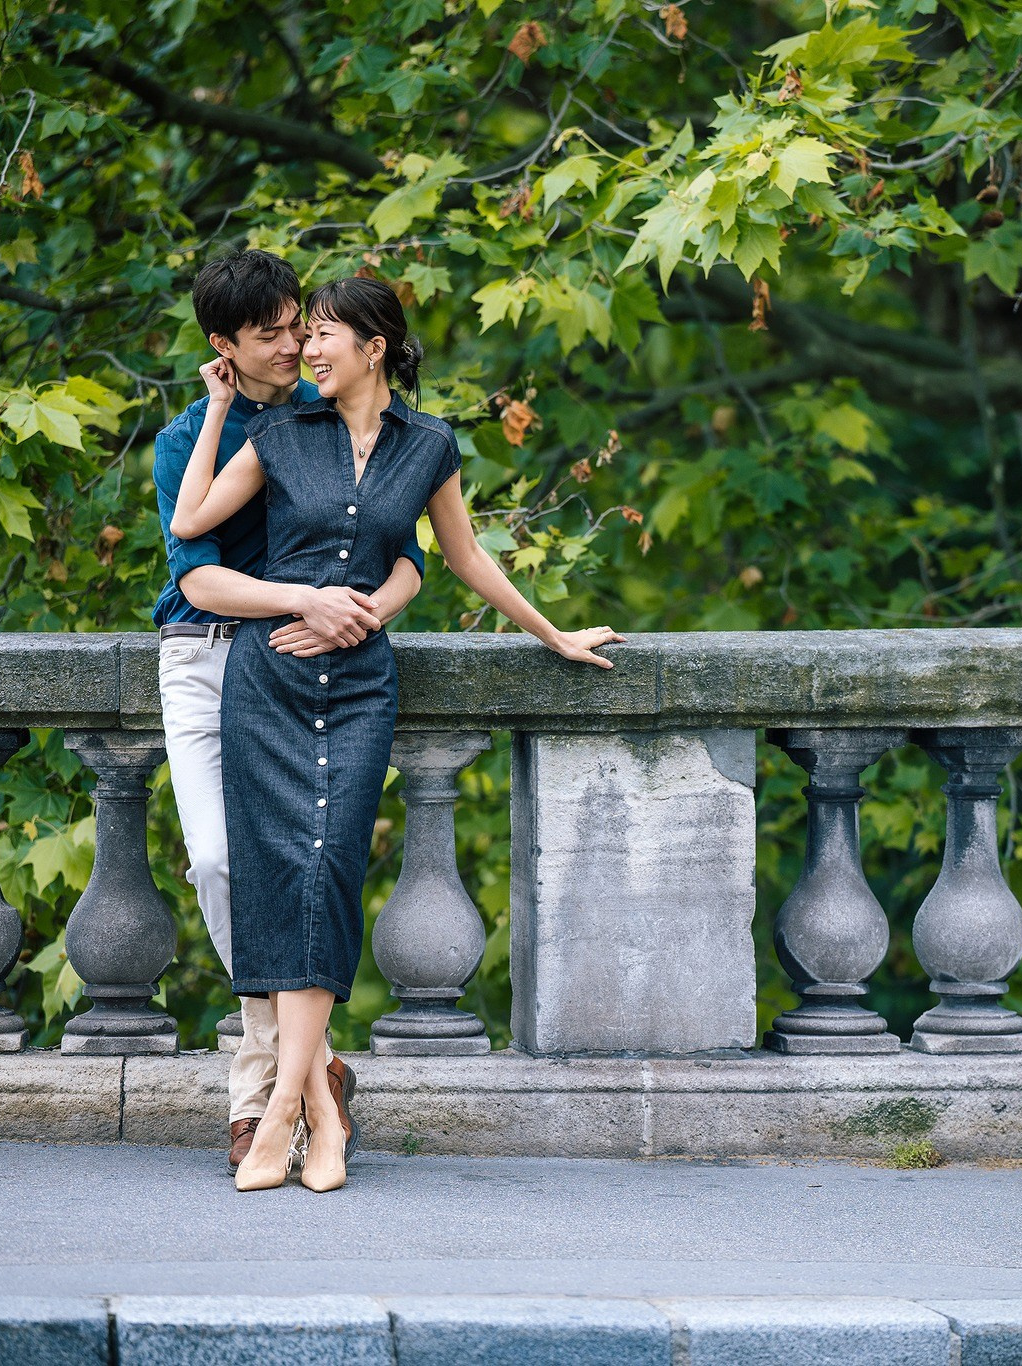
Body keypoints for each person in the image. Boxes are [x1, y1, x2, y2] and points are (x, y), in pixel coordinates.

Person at [170, 274, 622, 1192]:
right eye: (305, 335)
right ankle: (310, 1116)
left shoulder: (431, 446)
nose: (309, 349)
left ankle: (291, 1110)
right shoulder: (274, 433)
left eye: (326, 333)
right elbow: (189, 532)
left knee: (331, 868)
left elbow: (458, 559)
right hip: (268, 680)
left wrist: (553, 634)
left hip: (363, 686)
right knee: (273, 872)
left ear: (375, 347)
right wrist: (217, 412)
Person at [152, 250, 423, 1176]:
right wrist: (301, 601)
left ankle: (260, 1098)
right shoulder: (191, 436)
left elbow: (404, 549)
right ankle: (313, 1083)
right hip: (205, 657)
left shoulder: (335, 416)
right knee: (223, 864)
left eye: (299, 325)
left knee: (309, 865)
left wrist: (368, 608)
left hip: (307, 669)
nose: (293, 343)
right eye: (269, 333)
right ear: (222, 346)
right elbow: (194, 567)